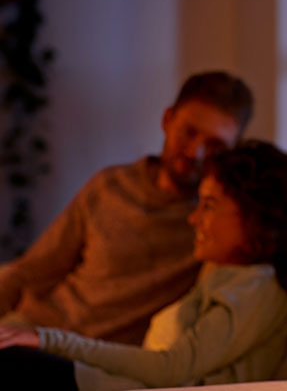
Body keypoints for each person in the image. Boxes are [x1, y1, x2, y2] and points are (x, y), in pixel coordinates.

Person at [0, 141, 287, 390]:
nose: (194, 219)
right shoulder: (227, 276)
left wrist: (48, 339)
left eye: (208, 205)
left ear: (258, 216)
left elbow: (170, 369)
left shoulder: (260, 287)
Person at [0, 71, 254, 345]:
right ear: (167, 120)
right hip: (31, 327)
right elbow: (35, 269)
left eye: (215, 145)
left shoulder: (217, 223)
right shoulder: (109, 186)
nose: (196, 152)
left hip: (87, 357)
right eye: (188, 132)